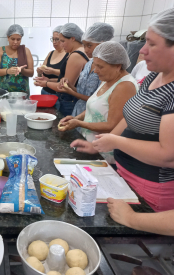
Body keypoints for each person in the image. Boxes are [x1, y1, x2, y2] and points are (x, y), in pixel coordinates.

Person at [71, 8, 174, 212]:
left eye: (152, 44)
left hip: (152, 186)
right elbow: (128, 116)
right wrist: (97, 146)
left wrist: (115, 141)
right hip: (122, 175)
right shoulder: (153, 77)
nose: (142, 51)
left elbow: (168, 155)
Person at [61, 41, 138, 163]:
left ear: (118, 65)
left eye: (100, 67)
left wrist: (79, 123)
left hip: (106, 155)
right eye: (95, 65)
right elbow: (95, 107)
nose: (95, 71)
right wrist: (76, 118)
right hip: (91, 147)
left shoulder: (125, 86)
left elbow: (112, 126)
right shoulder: (108, 79)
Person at [58, 22, 114, 118]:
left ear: (103, 44)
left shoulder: (108, 69)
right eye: (84, 45)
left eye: (89, 45)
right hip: (79, 111)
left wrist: (71, 92)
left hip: (94, 115)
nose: (86, 49)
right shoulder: (88, 64)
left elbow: (98, 99)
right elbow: (82, 92)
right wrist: (70, 85)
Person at [34, 23, 89, 116]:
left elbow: (65, 87)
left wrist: (46, 83)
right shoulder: (81, 51)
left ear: (72, 38)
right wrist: (49, 80)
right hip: (74, 99)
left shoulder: (76, 55)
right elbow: (70, 81)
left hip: (68, 101)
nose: (61, 44)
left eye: (62, 41)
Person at [0, 24, 34, 95]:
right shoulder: (1, 50)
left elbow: (31, 73)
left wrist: (22, 70)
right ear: (8, 37)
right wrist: (8, 71)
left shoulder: (25, 51)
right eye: (12, 39)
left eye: (18, 39)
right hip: (4, 93)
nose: (15, 42)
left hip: (22, 93)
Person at [37, 25, 68, 95]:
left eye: (57, 39)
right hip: (45, 91)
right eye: (53, 39)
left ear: (63, 39)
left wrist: (53, 71)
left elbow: (68, 77)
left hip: (58, 94)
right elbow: (41, 75)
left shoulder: (68, 55)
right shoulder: (51, 53)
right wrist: (39, 71)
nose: (54, 42)